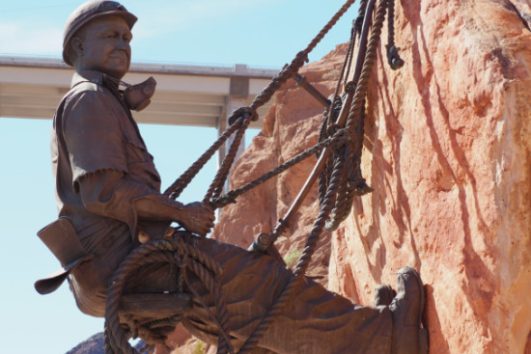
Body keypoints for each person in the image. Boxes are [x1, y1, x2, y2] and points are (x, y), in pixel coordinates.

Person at [35, 1, 427, 353]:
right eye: (110, 35)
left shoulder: (100, 99)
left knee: (244, 322)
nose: (123, 44)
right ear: (78, 49)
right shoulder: (89, 100)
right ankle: (387, 337)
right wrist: (182, 213)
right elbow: (104, 194)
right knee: (262, 281)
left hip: (111, 269)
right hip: (130, 263)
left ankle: (369, 339)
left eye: (127, 37)